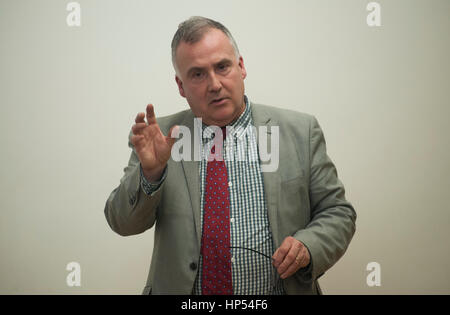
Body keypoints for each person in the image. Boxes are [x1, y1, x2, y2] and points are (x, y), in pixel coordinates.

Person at [104, 16, 356, 295]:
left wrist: (309, 246)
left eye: (222, 66)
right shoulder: (159, 137)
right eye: (197, 74)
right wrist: (150, 174)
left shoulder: (299, 131)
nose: (214, 84)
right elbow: (122, 223)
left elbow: (338, 212)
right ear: (180, 85)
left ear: (241, 66)